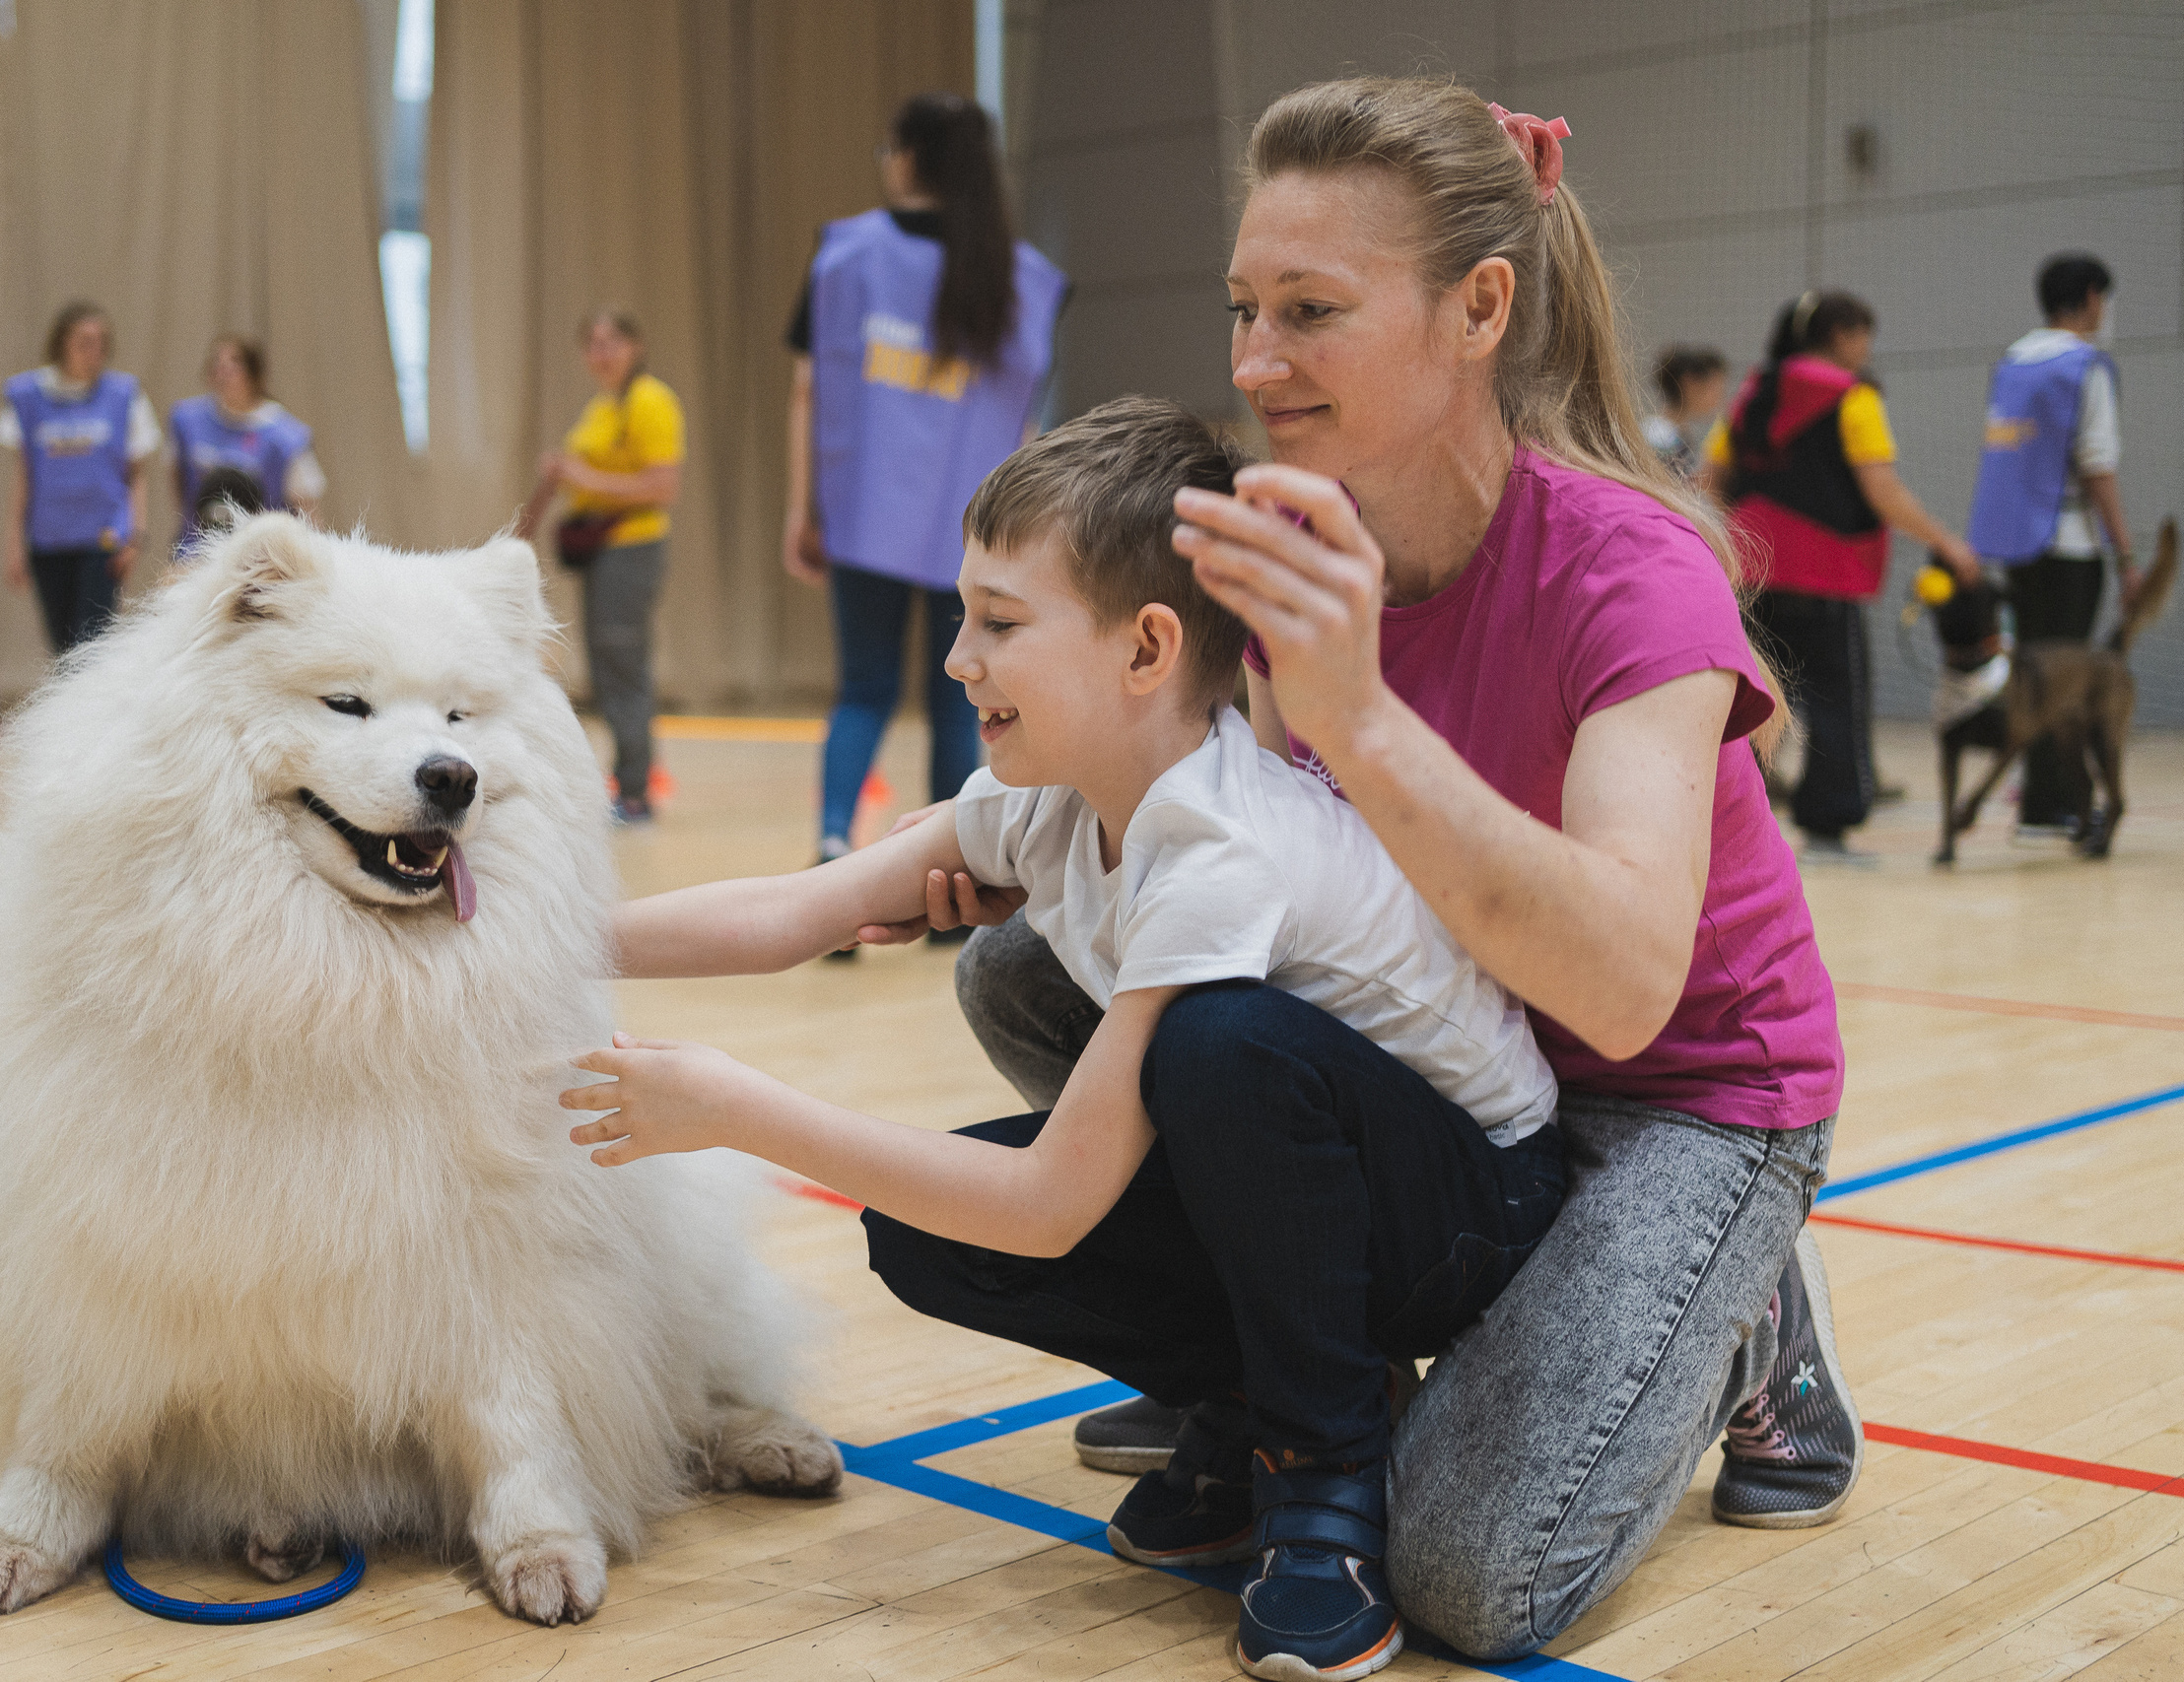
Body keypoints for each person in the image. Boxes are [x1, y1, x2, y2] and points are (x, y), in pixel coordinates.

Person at [862, 80, 1863, 1665]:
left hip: (1677, 1090)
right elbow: (1254, 879)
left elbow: (1620, 976)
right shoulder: (1279, 542)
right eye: (1246, 307)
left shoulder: (1634, 570)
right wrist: (1051, 838)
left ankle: (1746, 1325)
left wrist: (1364, 720)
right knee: (1030, 966)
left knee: (1473, 1580)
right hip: (1468, 1055)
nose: (1256, 361)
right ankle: (1281, 1374)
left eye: (1312, 311)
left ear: (1479, 309)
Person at [566, 398, 1567, 1681]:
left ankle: (1322, 1474)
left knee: (1216, 1044)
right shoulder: (1039, 803)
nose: (957, 659)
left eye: (999, 621)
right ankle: (1267, 1387)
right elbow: (787, 911)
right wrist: (538, 934)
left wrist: (729, 1104)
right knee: (921, 1215)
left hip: (1477, 1206)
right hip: (1332, 1184)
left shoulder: (1219, 844)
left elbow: (1051, 1203)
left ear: (1147, 647)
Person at [784, 92, 1068, 879]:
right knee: (960, 694)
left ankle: (836, 845)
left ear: (908, 158)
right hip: (970, 532)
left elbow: (807, 392)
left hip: (862, 518)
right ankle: (956, 868)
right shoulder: (1027, 280)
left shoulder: (843, 254)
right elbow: (1026, 430)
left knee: (863, 688)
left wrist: (799, 510)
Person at [1703, 291, 1977, 858]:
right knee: (1835, 699)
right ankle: (1827, 828)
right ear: (1842, 335)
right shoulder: (1853, 399)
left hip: (1748, 572)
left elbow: (1708, 482)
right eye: (1863, 335)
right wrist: (1945, 539)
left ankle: (1730, 828)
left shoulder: (1755, 393)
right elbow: (1884, 493)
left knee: (1749, 699)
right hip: (1824, 574)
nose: (1866, 348)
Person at [1965, 252, 2138, 832]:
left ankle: (2037, 799)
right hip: (2068, 543)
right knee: (2067, 681)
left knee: (2029, 675)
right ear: (2091, 296)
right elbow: (2098, 468)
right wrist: (2127, 555)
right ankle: (2056, 803)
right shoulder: (2085, 366)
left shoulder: (2013, 363)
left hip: (2016, 543)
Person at [512, 308, 686, 826]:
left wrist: (581, 473)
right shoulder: (601, 408)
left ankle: (635, 790)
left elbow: (662, 486)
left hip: (632, 548)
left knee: (624, 666)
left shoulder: (651, 401)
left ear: (636, 346)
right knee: (609, 668)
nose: (602, 352)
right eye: (592, 343)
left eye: (612, 341)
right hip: (601, 552)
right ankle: (627, 779)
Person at [0, 301, 161, 654]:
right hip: (49, 538)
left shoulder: (124, 395)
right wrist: (13, 543)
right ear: (61, 343)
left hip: (103, 536)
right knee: (62, 645)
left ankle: (94, 710)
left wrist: (136, 533)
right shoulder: (27, 396)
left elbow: (138, 475)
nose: (94, 349)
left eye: (101, 341)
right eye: (85, 341)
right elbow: (22, 477)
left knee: (92, 643)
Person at [169, 334, 325, 556]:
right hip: (199, 549)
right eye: (217, 365)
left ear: (254, 375)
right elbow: (178, 481)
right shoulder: (186, 420)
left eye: (234, 365)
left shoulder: (286, 436)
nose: (223, 373)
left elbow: (307, 510)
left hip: (262, 556)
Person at [1642, 345, 1726, 479]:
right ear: (1689, 383)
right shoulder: (1659, 437)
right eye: (1713, 389)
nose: (1719, 398)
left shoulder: (1679, 434)